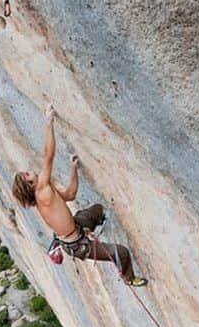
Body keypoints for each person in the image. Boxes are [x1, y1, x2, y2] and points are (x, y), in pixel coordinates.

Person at [11, 106, 146, 286]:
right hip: (78, 245)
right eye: (27, 175)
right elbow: (48, 156)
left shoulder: (46, 194)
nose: (30, 172)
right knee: (121, 253)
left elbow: (70, 195)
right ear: (30, 184)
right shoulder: (41, 191)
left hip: (77, 228)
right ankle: (129, 279)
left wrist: (73, 169)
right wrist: (49, 122)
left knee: (97, 210)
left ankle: (92, 227)